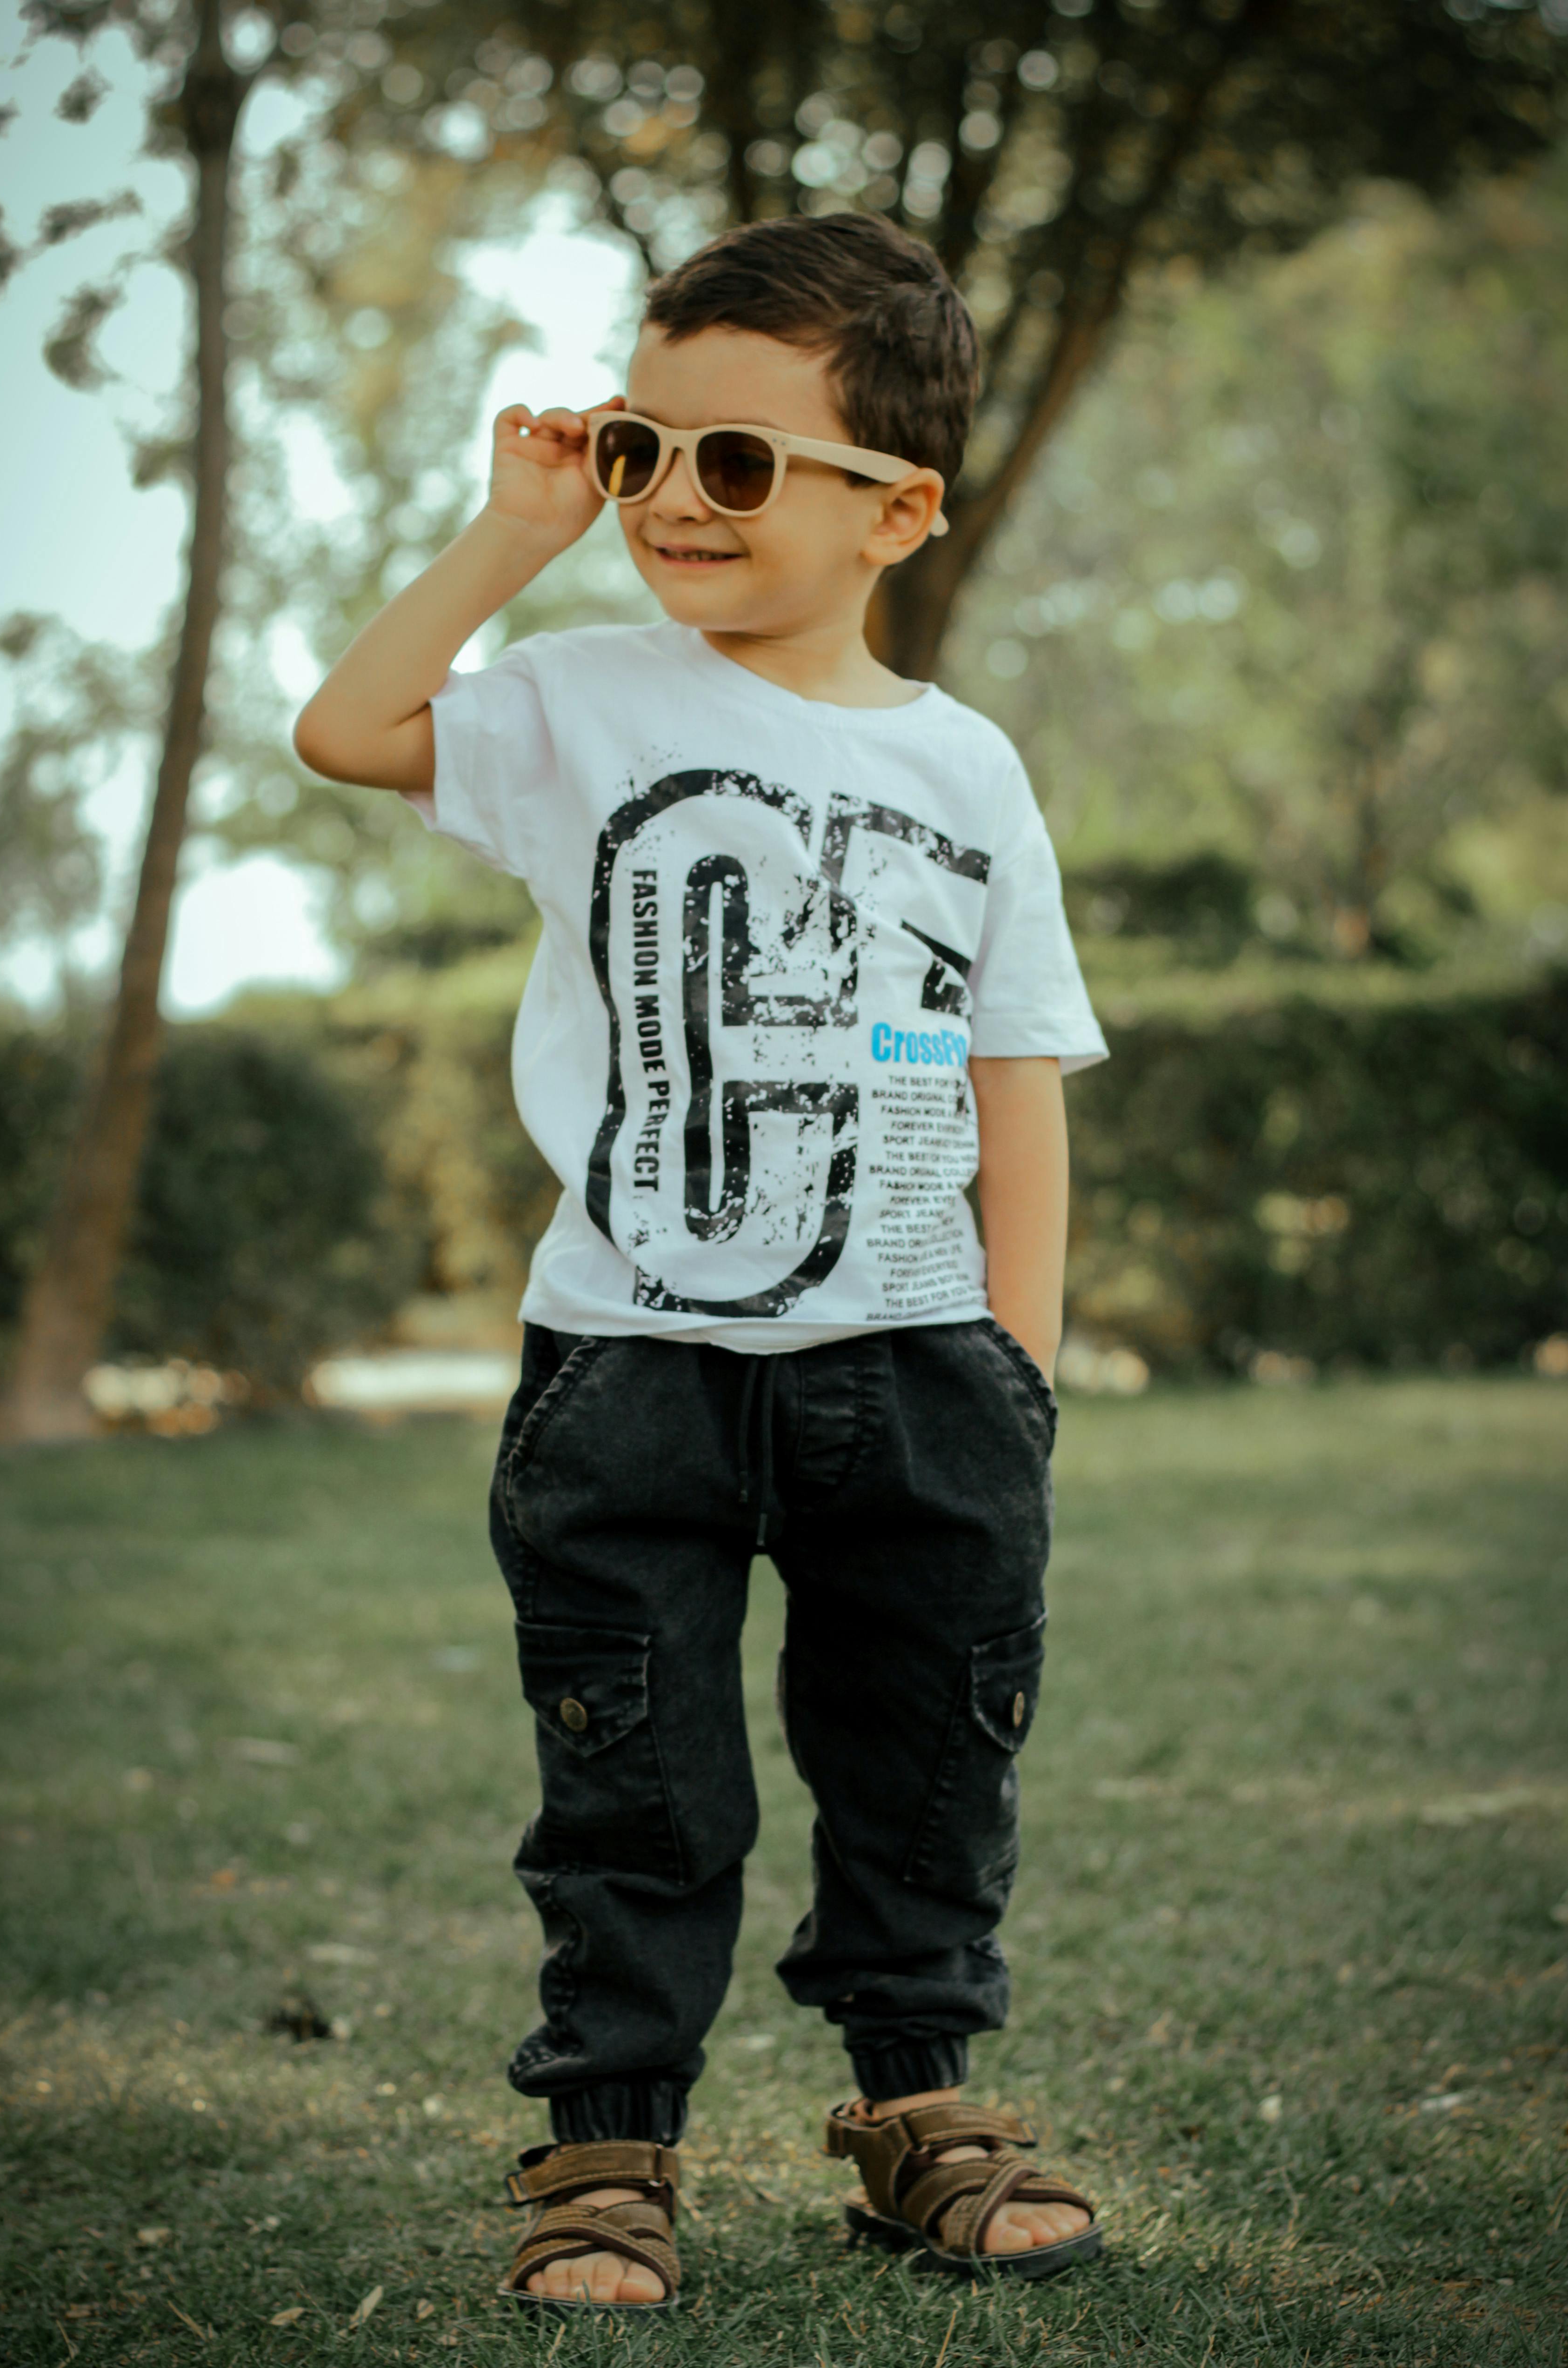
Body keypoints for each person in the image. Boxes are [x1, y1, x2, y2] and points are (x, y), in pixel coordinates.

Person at [294, 210, 1109, 2316]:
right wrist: (513, 529)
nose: (674, 499)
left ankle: (924, 2106)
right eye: (648, 447)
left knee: (929, 1752)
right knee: (634, 1778)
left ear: (896, 510)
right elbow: (348, 727)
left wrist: (1019, 1365)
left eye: (735, 465)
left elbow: (1020, 1078)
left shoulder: (969, 767)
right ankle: (608, 2148)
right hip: (632, 1363)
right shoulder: (579, 699)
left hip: (924, 1363)